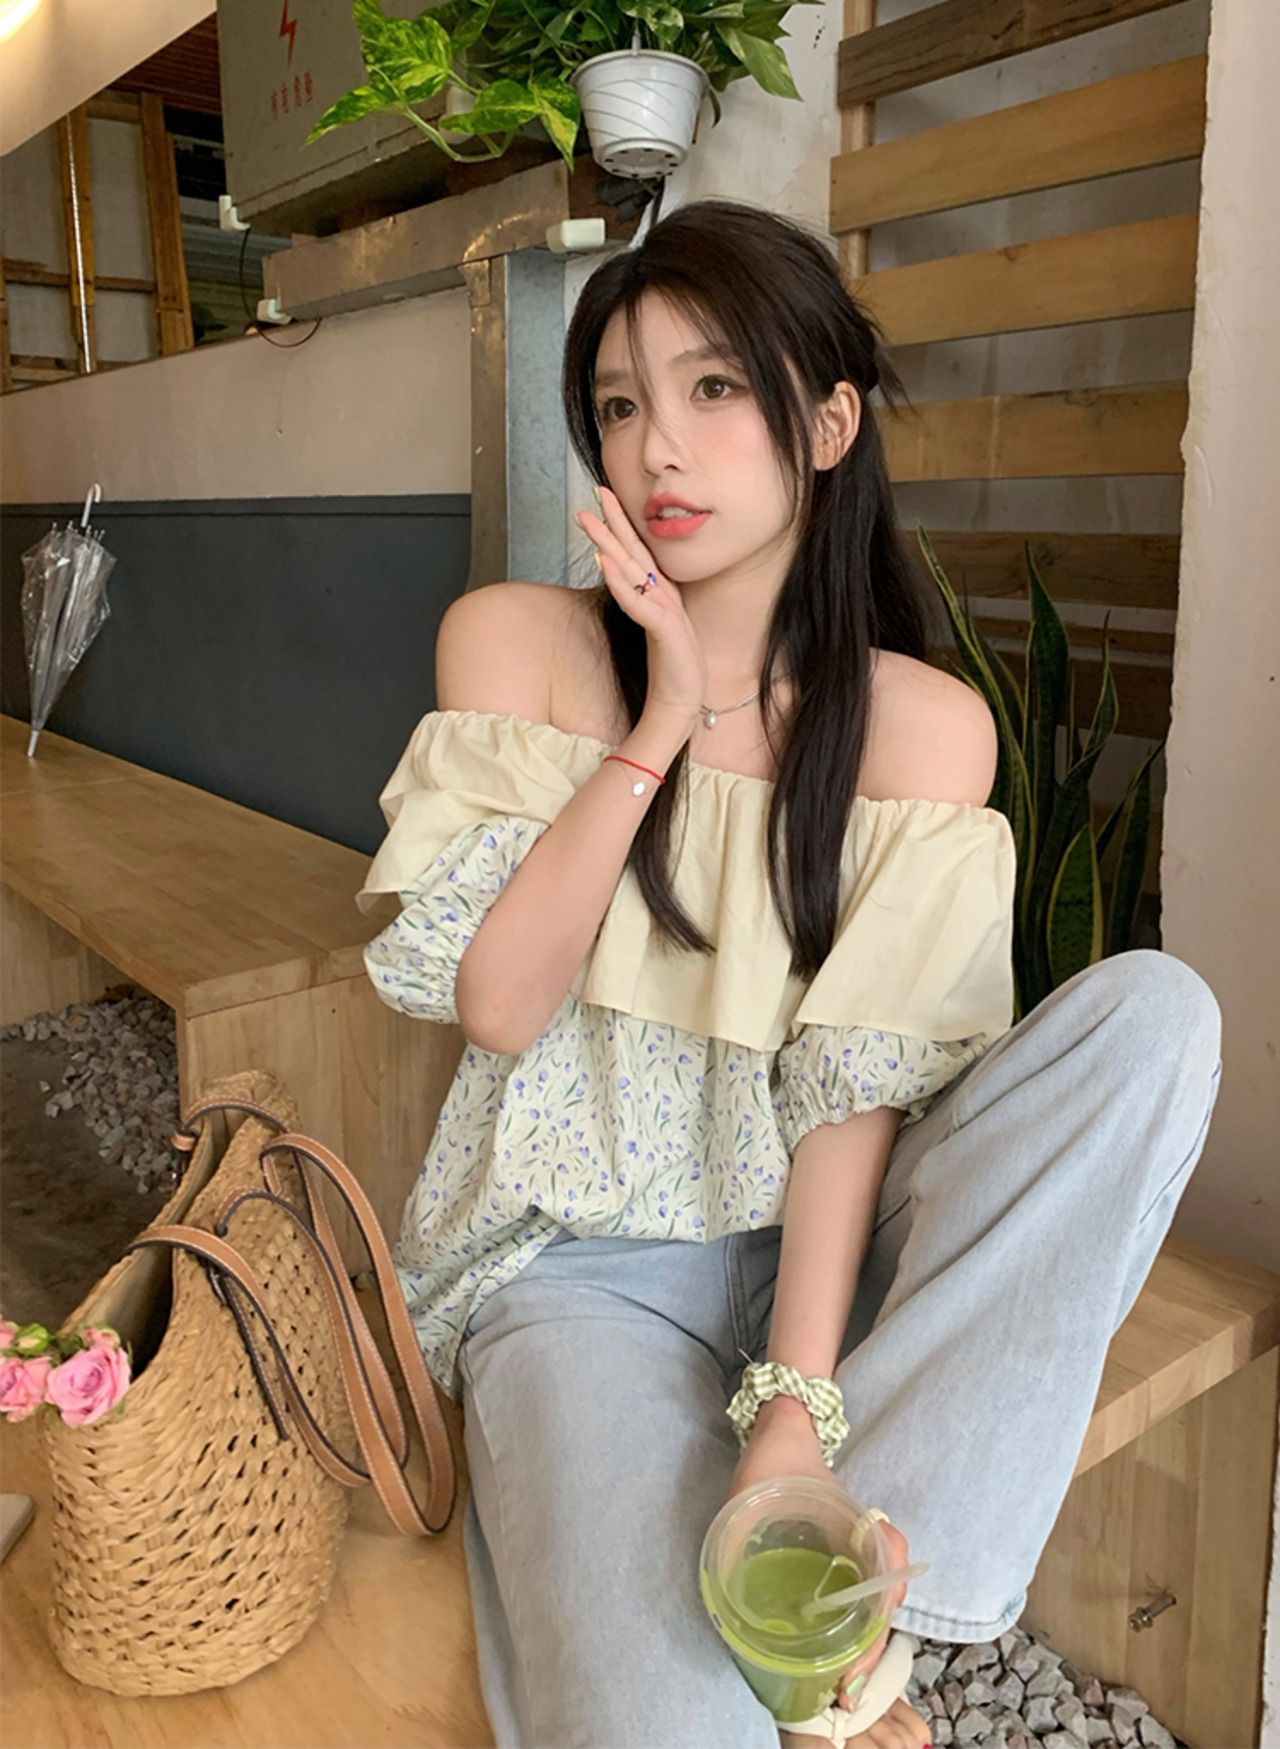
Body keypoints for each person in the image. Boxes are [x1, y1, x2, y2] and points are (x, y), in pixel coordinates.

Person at [357, 199, 1223, 1749]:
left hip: (832, 1248)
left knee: (1157, 1020)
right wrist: (660, 720)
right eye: (619, 405)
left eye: (712, 389)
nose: (657, 448)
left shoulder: (919, 729)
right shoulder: (516, 644)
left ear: (827, 424)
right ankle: (814, 1645)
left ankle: (833, 1584)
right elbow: (500, 1003)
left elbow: (851, 1094)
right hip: (585, 1267)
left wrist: (794, 1405)